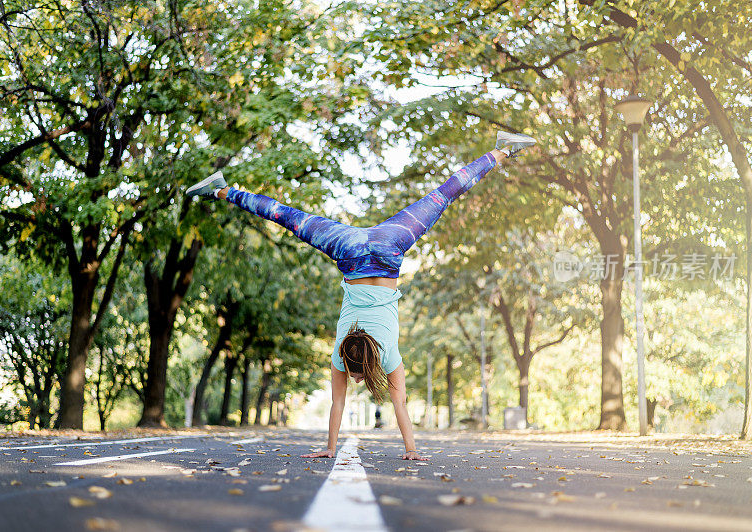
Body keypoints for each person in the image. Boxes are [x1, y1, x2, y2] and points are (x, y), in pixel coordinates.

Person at [186, 132, 536, 460]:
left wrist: (409, 448)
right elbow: (339, 404)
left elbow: (399, 404)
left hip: (389, 247)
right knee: (287, 216)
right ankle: (222, 190)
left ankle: (502, 150)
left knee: (443, 195)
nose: (354, 380)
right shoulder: (341, 352)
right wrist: (330, 447)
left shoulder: (388, 356)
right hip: (349, 249)